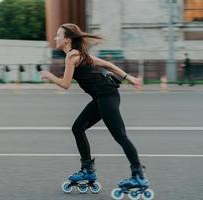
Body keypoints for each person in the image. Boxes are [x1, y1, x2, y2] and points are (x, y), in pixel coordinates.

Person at [40, 23, 150, 194]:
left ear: (67, 39)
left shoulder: (72, 56)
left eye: (58, 35)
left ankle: (138, 175)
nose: (55, 38)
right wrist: (130, 78)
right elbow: (108, 65)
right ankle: (87, 170)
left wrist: (50, 76)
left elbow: (65, 84)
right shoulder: (79, 55)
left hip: (106, 96)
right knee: (78, 128)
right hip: (102, 97)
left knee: (120, 136)